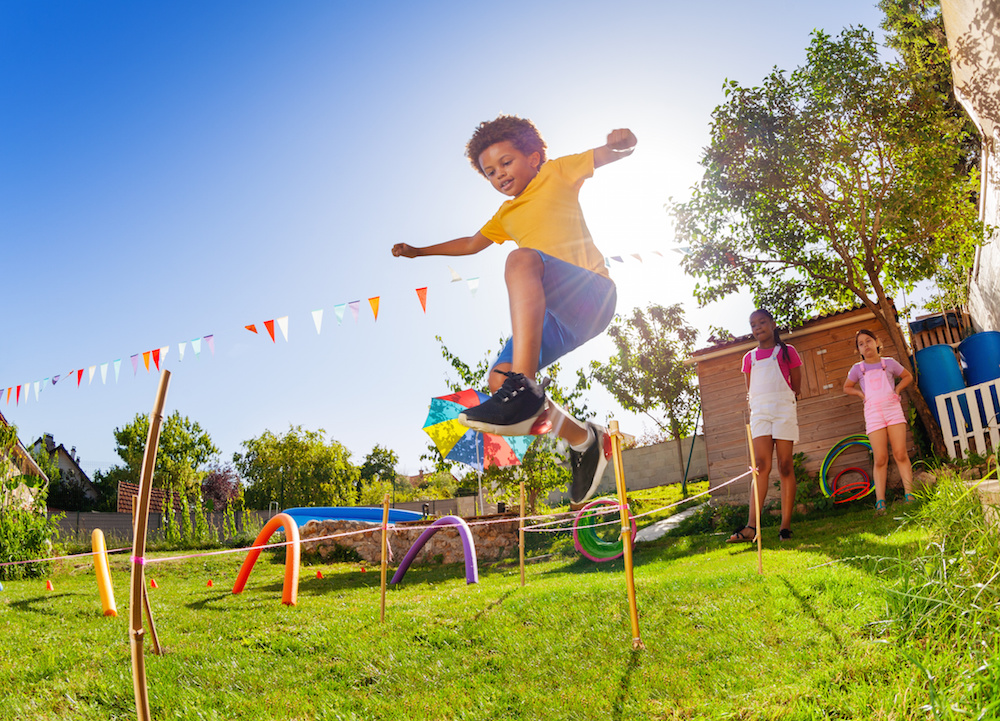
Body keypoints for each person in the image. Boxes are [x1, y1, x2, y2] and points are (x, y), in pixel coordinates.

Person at [392, 114, 636, 505]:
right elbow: (471, 243)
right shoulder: (506, 215)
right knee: (498, 381)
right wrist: (420, 251)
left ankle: (524, 387)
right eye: (490, 172)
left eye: (506, 163)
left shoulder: (556, 173)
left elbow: (608, 154)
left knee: (521, 261)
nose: (499, 175)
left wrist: (622, 142)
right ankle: (585, 440)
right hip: (557, 318)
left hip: (591, 294)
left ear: (534, 158)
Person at [727, 308, 803, 543]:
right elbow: (751, 390)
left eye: (762, 322)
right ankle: (752, 526)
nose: (758, 327)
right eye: (753, 324)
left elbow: (796, 385)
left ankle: (785, 527)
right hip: (760, 414)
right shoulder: (748, 358)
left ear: (772, 324)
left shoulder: (787, 352)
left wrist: (786, 401)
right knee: (760, 465)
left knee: (785, 465)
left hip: (783, 411)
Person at [843, 328, 916, 515]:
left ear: (876, 342)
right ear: (858, 350)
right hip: (873, 414)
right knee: (881, 458)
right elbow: (847, 387)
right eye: (861, 344)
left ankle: (910, 495)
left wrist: (897, 390)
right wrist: (860, 393)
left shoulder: (889, 363)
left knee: (900, 453)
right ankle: (880, 503)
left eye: (868, 341)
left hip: (893, 411)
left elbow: (908, 376)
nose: (865, 345)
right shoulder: (857, 369)